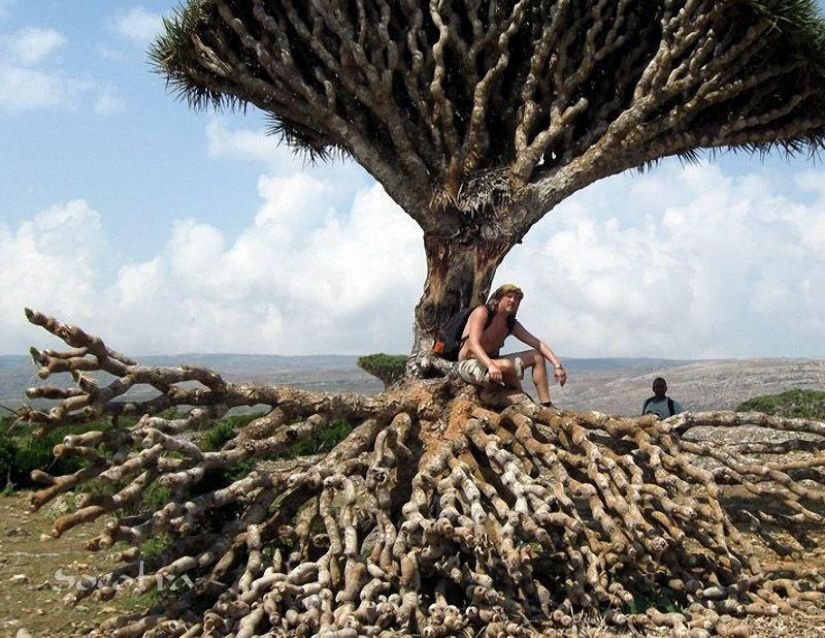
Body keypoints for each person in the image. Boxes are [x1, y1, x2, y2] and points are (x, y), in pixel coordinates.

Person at [456, 284, 566, 407]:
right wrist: (490, 365)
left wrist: (557, 365)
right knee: (506, 365)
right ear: (498, 298)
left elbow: (538, 344)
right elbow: (473, 344)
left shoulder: (510, 324)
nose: (513, 301)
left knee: (537, 356)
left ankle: (547, 405)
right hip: (469, 363)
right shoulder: (482, 313)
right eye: (509, 296)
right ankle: (520, 398)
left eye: (517, 299)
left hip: (493, 362)